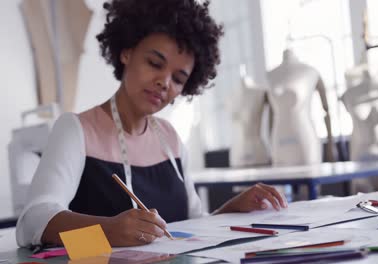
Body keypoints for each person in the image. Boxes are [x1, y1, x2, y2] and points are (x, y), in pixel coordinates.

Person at [16, 0, 287, 248]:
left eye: (179, 79)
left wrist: (230, 210)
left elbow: (190, 226)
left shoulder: (169, 138)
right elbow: (32, 223)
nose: (164, 82)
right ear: (126, 52)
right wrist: (108, 231)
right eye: (154, 63)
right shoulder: (76, 130)